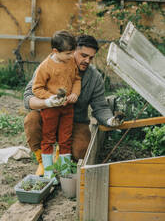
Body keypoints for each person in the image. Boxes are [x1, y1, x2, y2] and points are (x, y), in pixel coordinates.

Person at [24, 34, 122, 176]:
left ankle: (62, 156)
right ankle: (43, 163)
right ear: (73, 50)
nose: (87, 61)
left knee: (83, 151)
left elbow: (100, 106)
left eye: (91, 58)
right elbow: (28, 96)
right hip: (48, 115)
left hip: (75, 120)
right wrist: (47, 102)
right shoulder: (48, 65)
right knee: (31, 120)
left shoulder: (94, 77)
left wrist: (109, 120)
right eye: (83, 55)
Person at [31, 30, 81, 180]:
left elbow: (77, 79)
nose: (71, 56)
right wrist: (50, 98)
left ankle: (65, 171)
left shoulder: (71, 61)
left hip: (67, 108)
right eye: (67, 53)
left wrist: (75, 94)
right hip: (51, 110)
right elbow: (37, 88)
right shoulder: (45, 67)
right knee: (48, 138)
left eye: (72, 53)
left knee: (66, 138)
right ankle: (48, 173)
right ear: (55, 51)